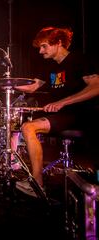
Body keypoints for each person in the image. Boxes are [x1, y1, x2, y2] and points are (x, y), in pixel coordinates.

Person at [14, 27, 99, 197]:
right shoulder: (49, 66)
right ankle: (12, 166)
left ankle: (37, 184)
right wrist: (7, 83)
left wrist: (62, 102)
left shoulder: (79, 60)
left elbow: (96, 86)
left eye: (44, 46)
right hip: (61, 115)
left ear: (58, 43)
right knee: (17, 122)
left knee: (29, 128)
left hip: (80, 114)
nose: (40, 51)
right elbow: (33, 86)